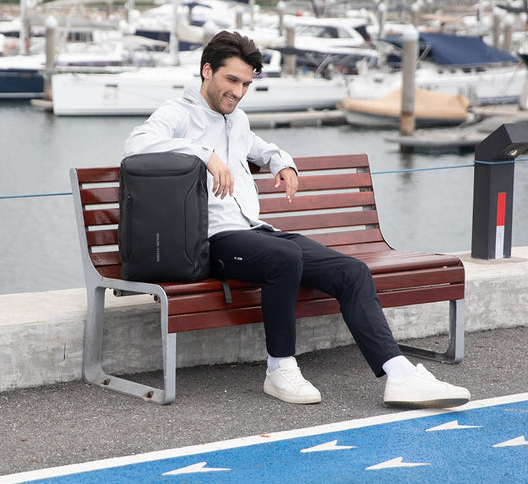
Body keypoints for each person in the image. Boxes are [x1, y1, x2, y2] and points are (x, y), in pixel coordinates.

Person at [124, 30, 470, 408]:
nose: (238, 92)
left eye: (246, 84)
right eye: (231, 80)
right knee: (284, 258)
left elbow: (261, 147)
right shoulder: (178, 114)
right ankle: (279, 368)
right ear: (207, 70)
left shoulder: (235, 120)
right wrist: (203, 154)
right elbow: (137, 144)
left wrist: (282, 162)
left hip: (254, 233)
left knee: (352, 272)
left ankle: (399, 374)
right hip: (212, 242)